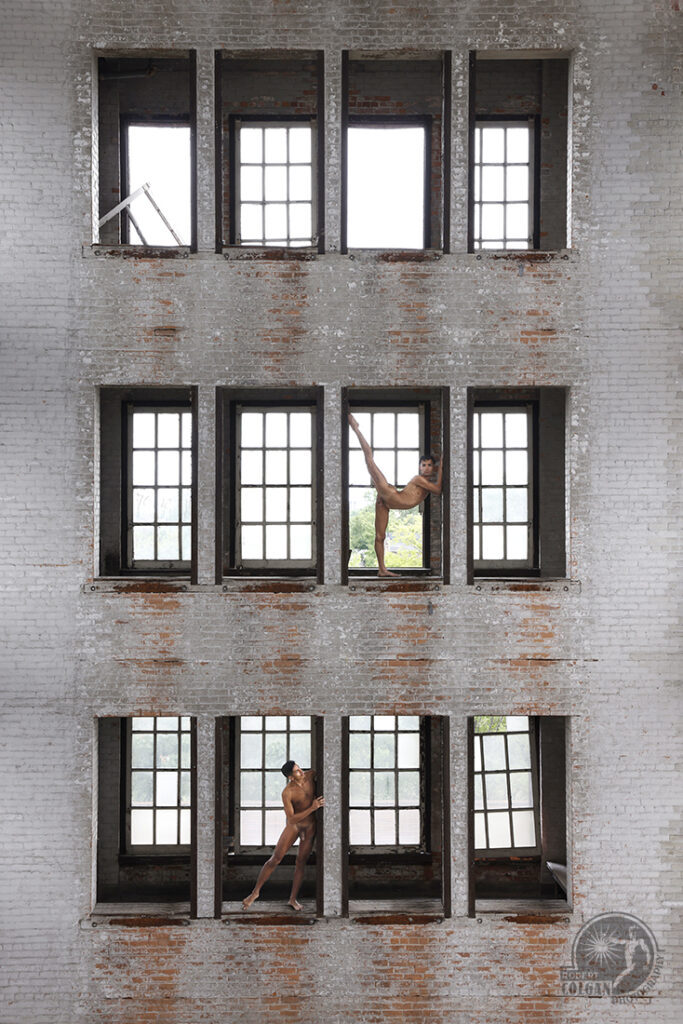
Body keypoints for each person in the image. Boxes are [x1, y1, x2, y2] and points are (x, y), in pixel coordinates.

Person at [348, 412, 443, 576]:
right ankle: (355, 427)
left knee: (380, 536)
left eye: (429, 465)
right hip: (390, 494)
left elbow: (436, 489)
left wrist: (440, 465)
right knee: (369, 460)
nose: (426, 468)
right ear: (419, 467)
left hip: (387, 502)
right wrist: (442, 465)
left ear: (432, 468)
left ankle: (382, 570)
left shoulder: (425, 483)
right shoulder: (419, 479)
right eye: (423, 465)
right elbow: (438, 490)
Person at [242, 761, 324, 911]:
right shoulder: (288, 792)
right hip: (294, 826)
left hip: (310, 827)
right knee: (276, 858)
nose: (301, 771)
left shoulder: (311, 775)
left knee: (301, 862)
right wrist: (313, 807)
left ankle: (292, 899)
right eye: (297, 771)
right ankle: (255, 893)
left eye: (299, 767)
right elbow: (291, 818)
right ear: (291, 777)